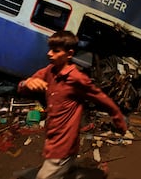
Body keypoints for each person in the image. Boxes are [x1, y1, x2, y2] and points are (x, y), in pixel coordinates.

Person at [17, 31, 128, 179]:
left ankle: (96, 174)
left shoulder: (77, 79)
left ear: (69, 54)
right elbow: (22, 86)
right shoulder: (49, 71)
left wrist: (118, 120)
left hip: (64, 143)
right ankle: (94, 174)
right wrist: (27, 83)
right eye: (50, 49)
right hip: (52, 137)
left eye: (56, 51)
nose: (49, 54)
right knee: (63, 172)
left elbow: (102, 99)